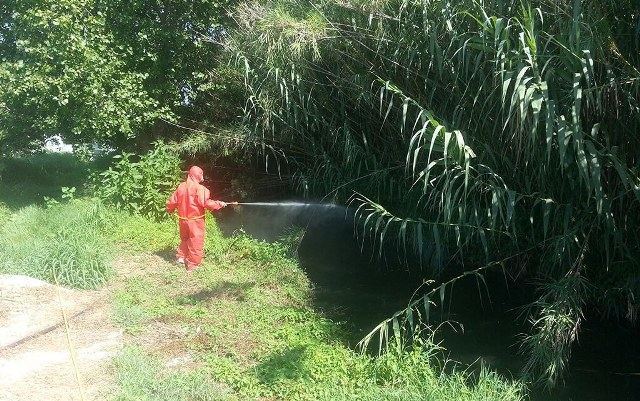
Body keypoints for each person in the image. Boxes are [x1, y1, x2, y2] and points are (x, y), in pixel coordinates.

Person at [166, 166, 235, 272]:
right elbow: (205, 203)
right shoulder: (201, 189)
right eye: (201, 174)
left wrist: (169, 209)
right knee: (196, 241)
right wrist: (219, 204)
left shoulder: (181, 186)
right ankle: (193, 265)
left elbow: (172, 201)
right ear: (197, 175)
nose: (202, 176)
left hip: (183, 220)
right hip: (195, 221)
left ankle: (181, 258)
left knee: (184, 239)